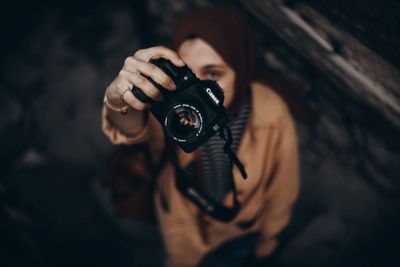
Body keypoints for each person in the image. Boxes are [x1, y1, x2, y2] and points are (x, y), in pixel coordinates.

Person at [102, 7, 299, 267]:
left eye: (213, 75)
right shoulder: (171, 104)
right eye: (189, 77)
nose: (197, 92)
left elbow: (283, 187)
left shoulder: (271, 112)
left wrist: (268, 240)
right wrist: (119, 100)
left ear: (241, 68)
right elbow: (132, 133)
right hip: (182, 229)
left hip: (240, 230)